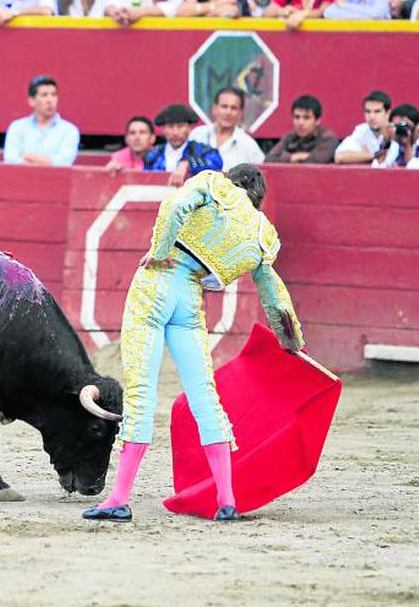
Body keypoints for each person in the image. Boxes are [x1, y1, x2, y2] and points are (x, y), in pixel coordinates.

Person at [82, 163, 305, 523]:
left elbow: (174, 205)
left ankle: (120, 498)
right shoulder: (263, 233)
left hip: (155, 284)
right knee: (206, 397)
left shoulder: (214, 184)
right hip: (190, 299)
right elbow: (273, 293)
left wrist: (160, 249)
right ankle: (226, 499)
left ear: (232, 180)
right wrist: (291, 340)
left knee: (142, 392)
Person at [3, 75, 80, 166]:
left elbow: (63, 163)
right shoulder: (17, 127)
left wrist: (28, 156)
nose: (50, 100)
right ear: (32, 101)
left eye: (53, 95)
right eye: (44, 95)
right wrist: (48, 162)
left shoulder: (69, 130)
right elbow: (10, 160)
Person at [144, 103, 223, 186]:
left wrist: (187, 163)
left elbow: (216, 164)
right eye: (170, 127)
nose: (175, 132)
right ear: (163, 129)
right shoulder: (154, 154)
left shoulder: (202, 150)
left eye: (180, 126)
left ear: (189, 128)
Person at [189, 87, 265, 171]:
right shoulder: (197, 135)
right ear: (214, 108)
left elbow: (262, 173)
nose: (228, 112)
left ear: (240, 113)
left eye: (234, 108)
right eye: (224, 106)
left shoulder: (249, 145)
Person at [265, 95, 339, 164]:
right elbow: (268, 159)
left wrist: (286, 158)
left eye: (306, 118)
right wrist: (295, 157)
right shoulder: (290, 137)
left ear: (318, 120)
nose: (300, 123)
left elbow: (318, 160)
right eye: (297, 117)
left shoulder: (327, 138)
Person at [372, 103, 419, 169]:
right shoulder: (395, 145)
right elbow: (377, 170)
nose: (401, 129)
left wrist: (407, 147)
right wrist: (385, 144)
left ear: (418, 126)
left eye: (405, 125)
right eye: (397, 126)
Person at [334, 90, 391, 165]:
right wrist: (374, 155)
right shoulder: (362, 130)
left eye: (377, 111)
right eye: (368, 111)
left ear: (388, 113)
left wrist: (362, 156)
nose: (372, 116)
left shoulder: (396, 132)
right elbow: (339, 157)